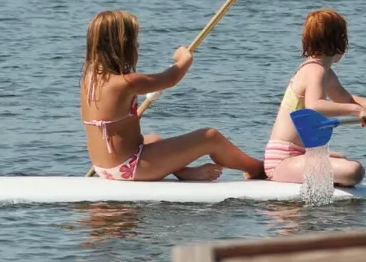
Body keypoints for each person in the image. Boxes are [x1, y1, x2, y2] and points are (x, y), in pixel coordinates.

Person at [80, 10, 265, 181]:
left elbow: (116, 121)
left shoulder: (89, 79)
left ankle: (186, 173)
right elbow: (171, 78)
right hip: (131, 167)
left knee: (154, 139)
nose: (137, 45)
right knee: (210, 137)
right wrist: (184, 58)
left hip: (103, 167)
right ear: (123, 46)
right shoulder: (127, 82)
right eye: (134, 42)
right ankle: (255, 169)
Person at [263, 9, 366, 186]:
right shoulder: (315, 70)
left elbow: (347, 99)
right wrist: (356, 111)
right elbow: (315, 106)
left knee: (344, 159)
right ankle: (276, 172)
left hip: (300, 153)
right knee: (353, 171)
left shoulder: (325, 72)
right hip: (284, 158)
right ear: (340, 42)